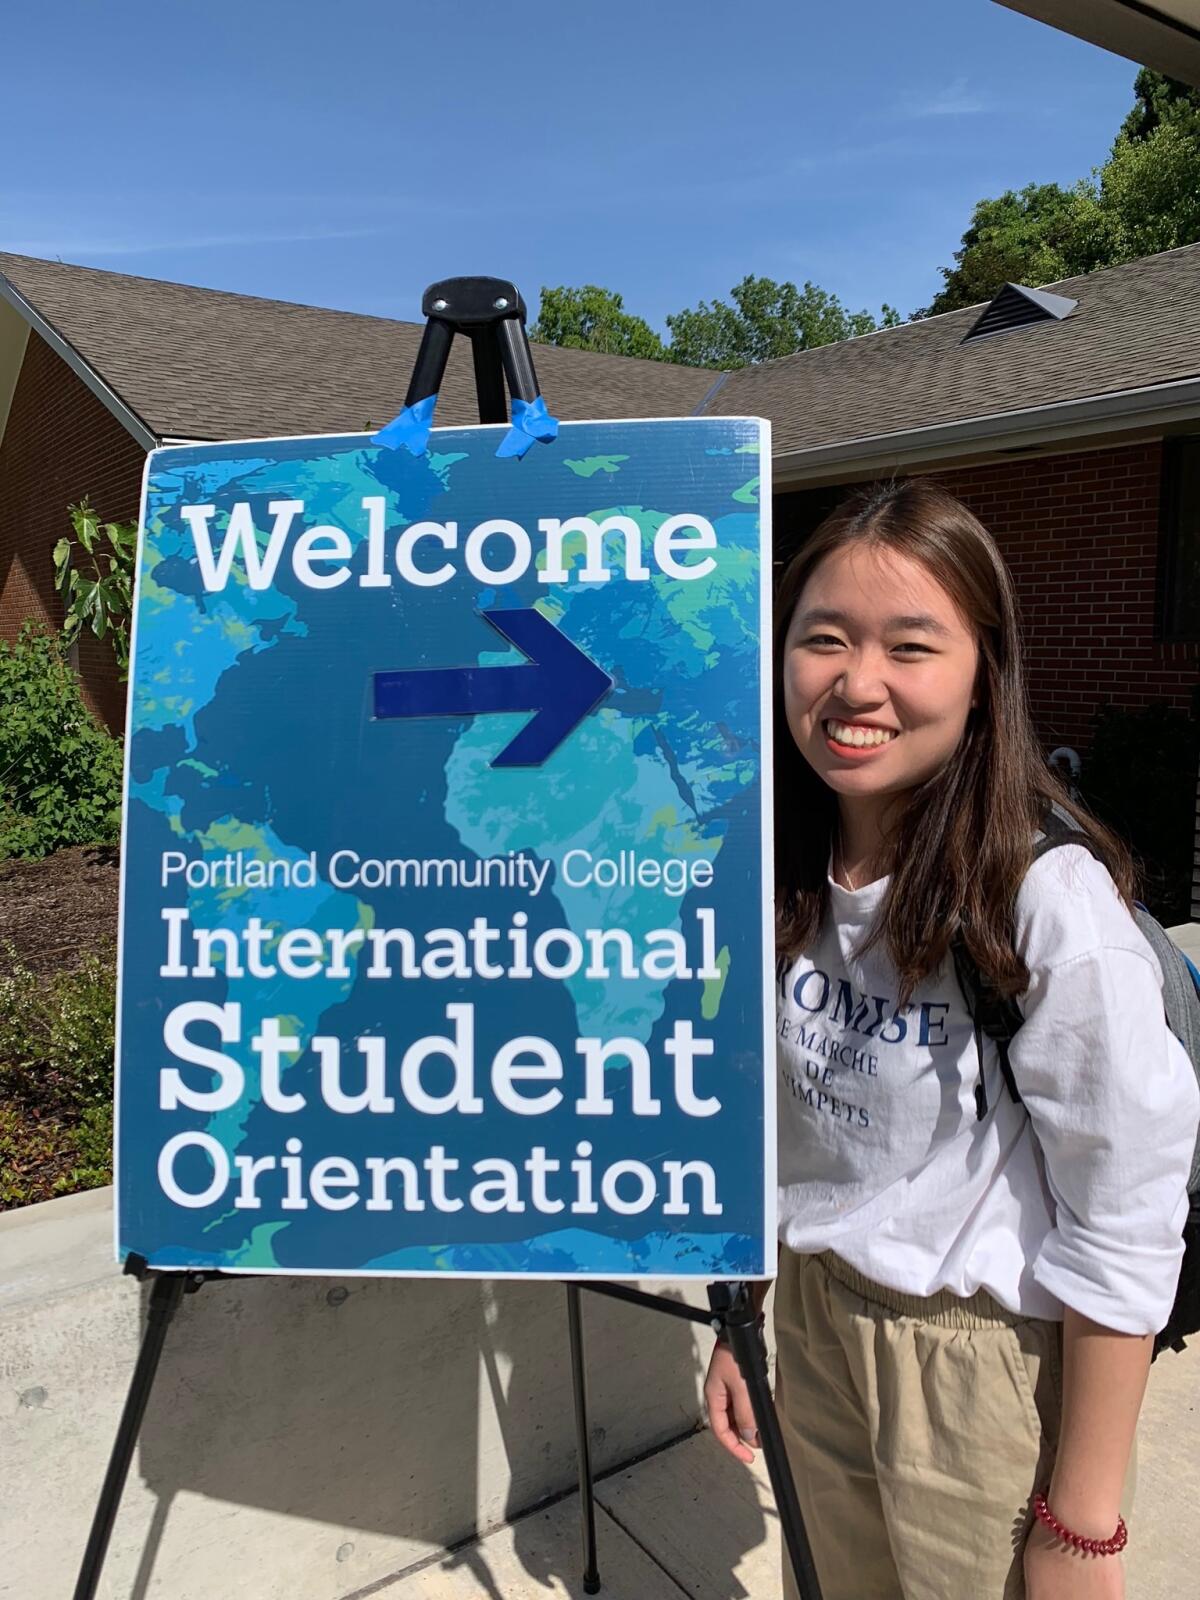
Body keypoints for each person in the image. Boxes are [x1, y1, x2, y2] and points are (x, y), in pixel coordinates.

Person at [704, 481, 1199, 1600]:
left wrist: (1083, 1527)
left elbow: (1126, 1217)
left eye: (910, 646)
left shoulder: (1045, 901)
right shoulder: (775, 869)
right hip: (820, 1307)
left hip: (977, 1359)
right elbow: (779, 1131)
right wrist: (749, 1319)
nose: (855, 683)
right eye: (821, 639)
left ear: (983, 676)